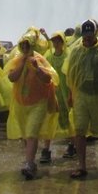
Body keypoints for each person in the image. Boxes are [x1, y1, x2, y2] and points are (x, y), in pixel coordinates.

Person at [62, 18, 98, 179]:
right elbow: (71, 74)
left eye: (89, 35)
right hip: (81, 95)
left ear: (96, 33)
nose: (86, 38)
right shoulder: (76, 50)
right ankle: (82, 165)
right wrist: (70, 94)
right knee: (79, 129)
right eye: (84, 35)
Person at [5, 31, 59, 180]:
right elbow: (11, 78)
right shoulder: (17, 60)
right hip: (21, 103)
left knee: (31, 133)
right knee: (26, 135)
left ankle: (29, 163)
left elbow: (48, 79)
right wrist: (22, 64)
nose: (25, 47)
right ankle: (31, 160)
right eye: (23, 45)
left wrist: (37, 68)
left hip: (38, 103)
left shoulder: (39, 59)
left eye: (27, 45)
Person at [41, 31, 71, 163]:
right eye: (53, 41)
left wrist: (71, 93)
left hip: (65, 91)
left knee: (68, 119)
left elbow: (71, 75)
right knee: (50, 119)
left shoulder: (67, 56)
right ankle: (46, 150)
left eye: (57, 41)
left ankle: (72, 145)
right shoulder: (49, 57)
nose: (55, 43)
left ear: (62, 42)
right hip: (53, 92)